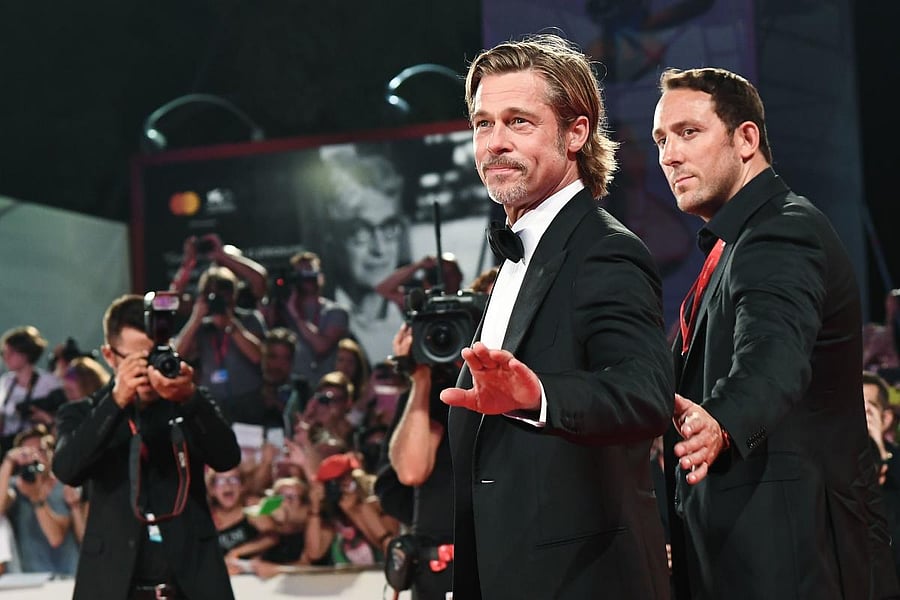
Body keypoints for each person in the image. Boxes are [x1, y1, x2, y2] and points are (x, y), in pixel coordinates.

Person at [439, 34, 674, 599]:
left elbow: (645, 394)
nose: (494, 143)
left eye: (518, 122)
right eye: (482, 124)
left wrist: (539, 393)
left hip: (582, 580)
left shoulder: (604, 250)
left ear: (576, 133)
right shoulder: (520, 254)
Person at [651, 66, 900, 599]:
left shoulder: (781, 229)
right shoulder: (732, 245)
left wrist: (722, 419)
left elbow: (774, 356)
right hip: (750, 558)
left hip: (797, 558)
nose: (669, 155)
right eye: (661, 139)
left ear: (746, 139)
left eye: (688, 132)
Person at [52, 293, 241, 600]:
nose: (147, 369)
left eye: (153, 356)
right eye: (135, 359)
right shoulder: (84, 412)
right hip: (115, 587)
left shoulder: (189, 403)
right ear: (109, 356)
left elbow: (226, 458)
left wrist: (189, 400)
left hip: (191, 585)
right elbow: (67, 469)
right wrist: (115, 403)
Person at [319, 144, 412, 363]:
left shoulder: (414, 316)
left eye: (388, 228)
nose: (379, 249)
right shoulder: (318, 319)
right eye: (361, 231)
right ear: (332, 239)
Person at [0, 425, 79, 575]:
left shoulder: (65, 488)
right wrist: (8, 461)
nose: (34, 457)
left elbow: (55, 538)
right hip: (29, 578)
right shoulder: (14, 487)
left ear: (51, 453)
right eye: (27, 453)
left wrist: (37, 499)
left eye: (40, 451)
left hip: (65, 575)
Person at [0, 326, 64, 454]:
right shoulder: (6, 382)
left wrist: (44, 417)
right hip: (8, 447)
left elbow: (61, 417)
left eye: (11, 352)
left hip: (38, 446)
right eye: (3, 352)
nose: (5, 357)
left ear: (25, 354)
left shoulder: (48, 383)